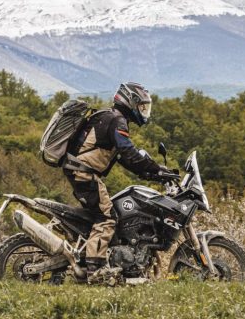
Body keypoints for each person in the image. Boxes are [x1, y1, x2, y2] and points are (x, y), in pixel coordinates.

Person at [63, 82, 173, 282]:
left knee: (108, 213)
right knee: (107, 218)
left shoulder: (111, 118)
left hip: (81, 171)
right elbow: (129, 152)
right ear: (130, 101)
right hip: (83, 173)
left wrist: (150, 175)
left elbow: (124, 159)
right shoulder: (117, 120)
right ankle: (94, 271)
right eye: (142, 106)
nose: (144, 111)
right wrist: (157, 169)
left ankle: (105, 260)